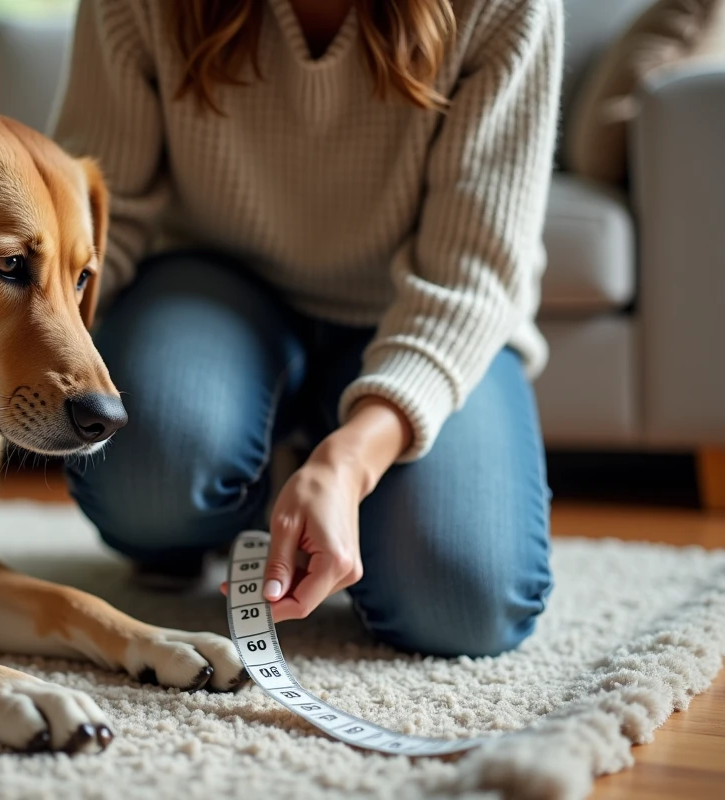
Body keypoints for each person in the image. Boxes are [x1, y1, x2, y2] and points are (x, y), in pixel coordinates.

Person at [52, 0, 561, 658]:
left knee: (461, 605)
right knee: (148, 484)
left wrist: (350, 461)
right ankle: (238, 480)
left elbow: (473, 277)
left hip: (417, 306)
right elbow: (99, 219)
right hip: (213, 286)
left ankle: (310, 462)